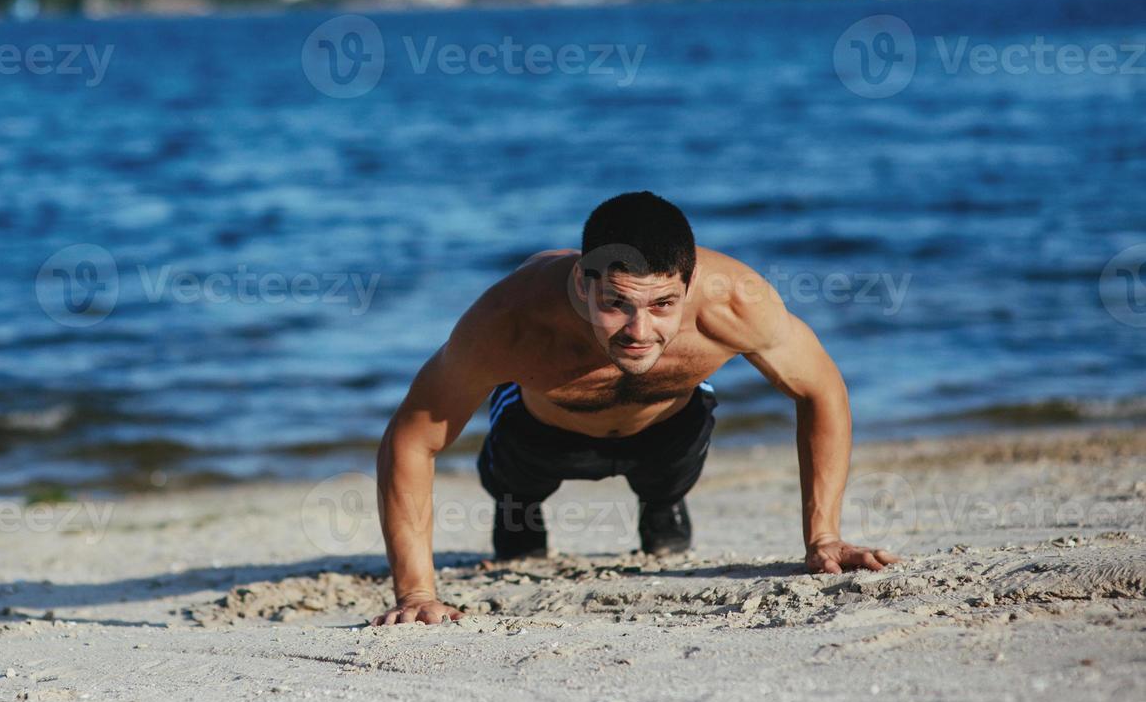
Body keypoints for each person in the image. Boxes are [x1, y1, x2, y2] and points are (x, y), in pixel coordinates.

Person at [371, 191, 899, 626]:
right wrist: (416, 591)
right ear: (583, 282)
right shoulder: (511, 320)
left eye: (663, 304)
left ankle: (661, 503)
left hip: (666, 429)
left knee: (669, 482)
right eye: (616, 303)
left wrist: (823, 538)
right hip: (541, 433)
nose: (639, 331)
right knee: (517, 500)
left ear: (688, 284)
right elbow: (414, 437)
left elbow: (821, 390)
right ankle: (521, 518)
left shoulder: (736, 301)